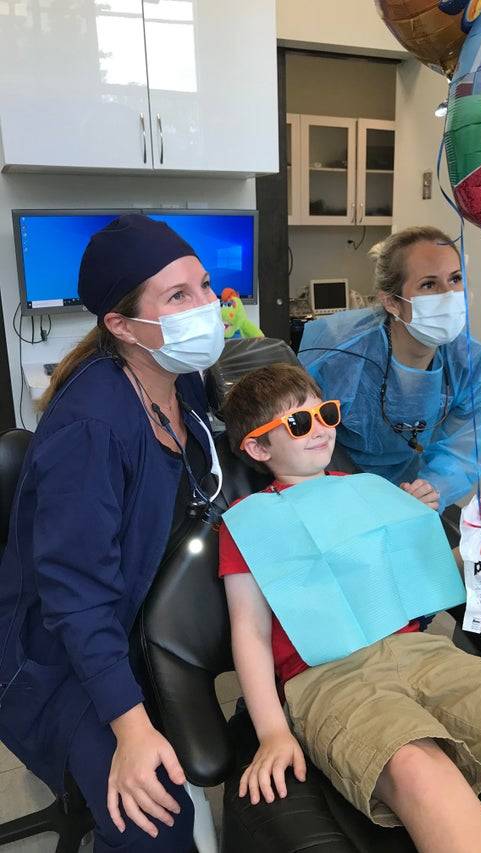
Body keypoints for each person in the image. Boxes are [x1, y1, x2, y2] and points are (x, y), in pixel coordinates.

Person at [218, 364, 481, 853]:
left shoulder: (372, 491)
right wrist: (271, 732)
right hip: (326, 677)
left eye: (326, 414)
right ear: (257, 447)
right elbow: (248, 631)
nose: (320, 429)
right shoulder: (247, 525)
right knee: (419, 768)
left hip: (422, 652)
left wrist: (480, 551)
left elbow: (428, 574)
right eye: (298, 423)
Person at [0, 214, 225, 852]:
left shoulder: (183, 380)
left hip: (141, 621)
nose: (206, 308)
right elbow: (74, 596)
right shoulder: (94, 426)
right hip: (56, 656)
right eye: (178, 296)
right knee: (157, 822)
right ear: (121, 326)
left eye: (204, 287)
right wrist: (129, 728)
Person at [299, 226, 481, 513]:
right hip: (334, 488)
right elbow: (297, 440)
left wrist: (434, 486)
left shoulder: (471, 365)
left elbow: (466, 446)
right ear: (391, 302)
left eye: (455, 279)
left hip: (411, 495)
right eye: (429, 285)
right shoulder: (341, 359)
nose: (448, 295)